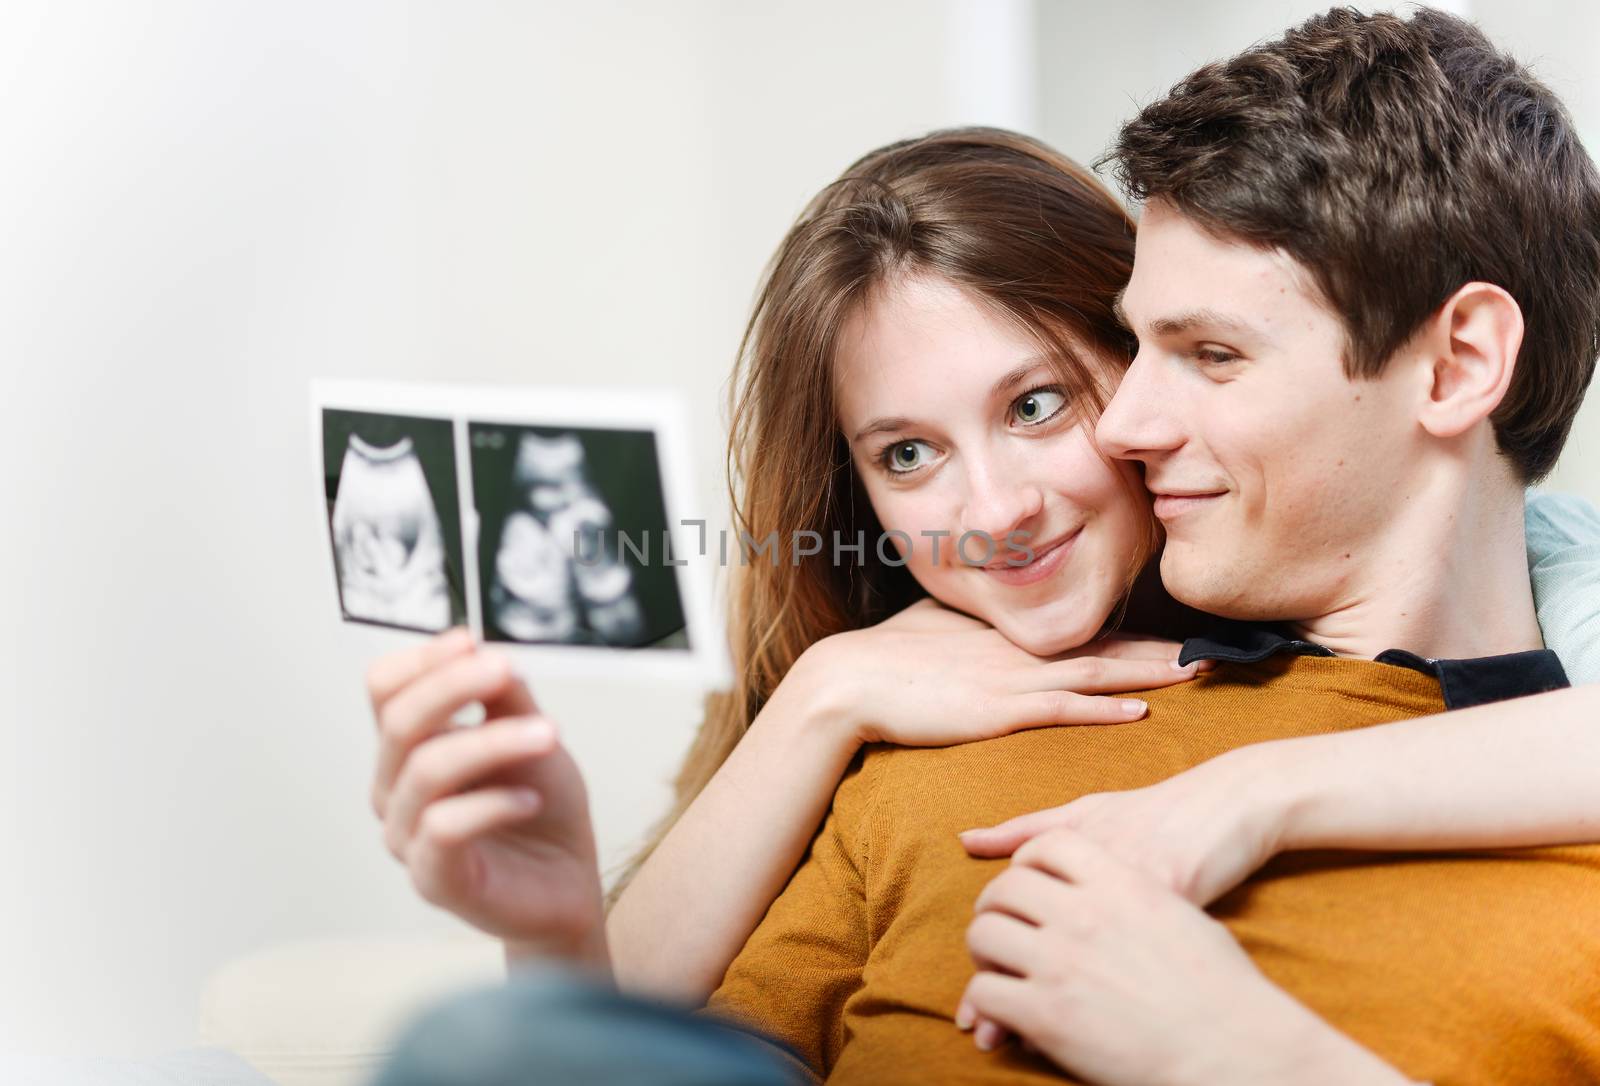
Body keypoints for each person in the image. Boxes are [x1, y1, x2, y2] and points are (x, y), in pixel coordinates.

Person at [367, 8, 1600, 1084]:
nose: (1131, 421)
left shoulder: (1556, 753)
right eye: (904, 452)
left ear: (1457, 364)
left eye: (1208, 354)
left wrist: (1236, 1051)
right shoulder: (936, 731)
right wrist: (555, 950)